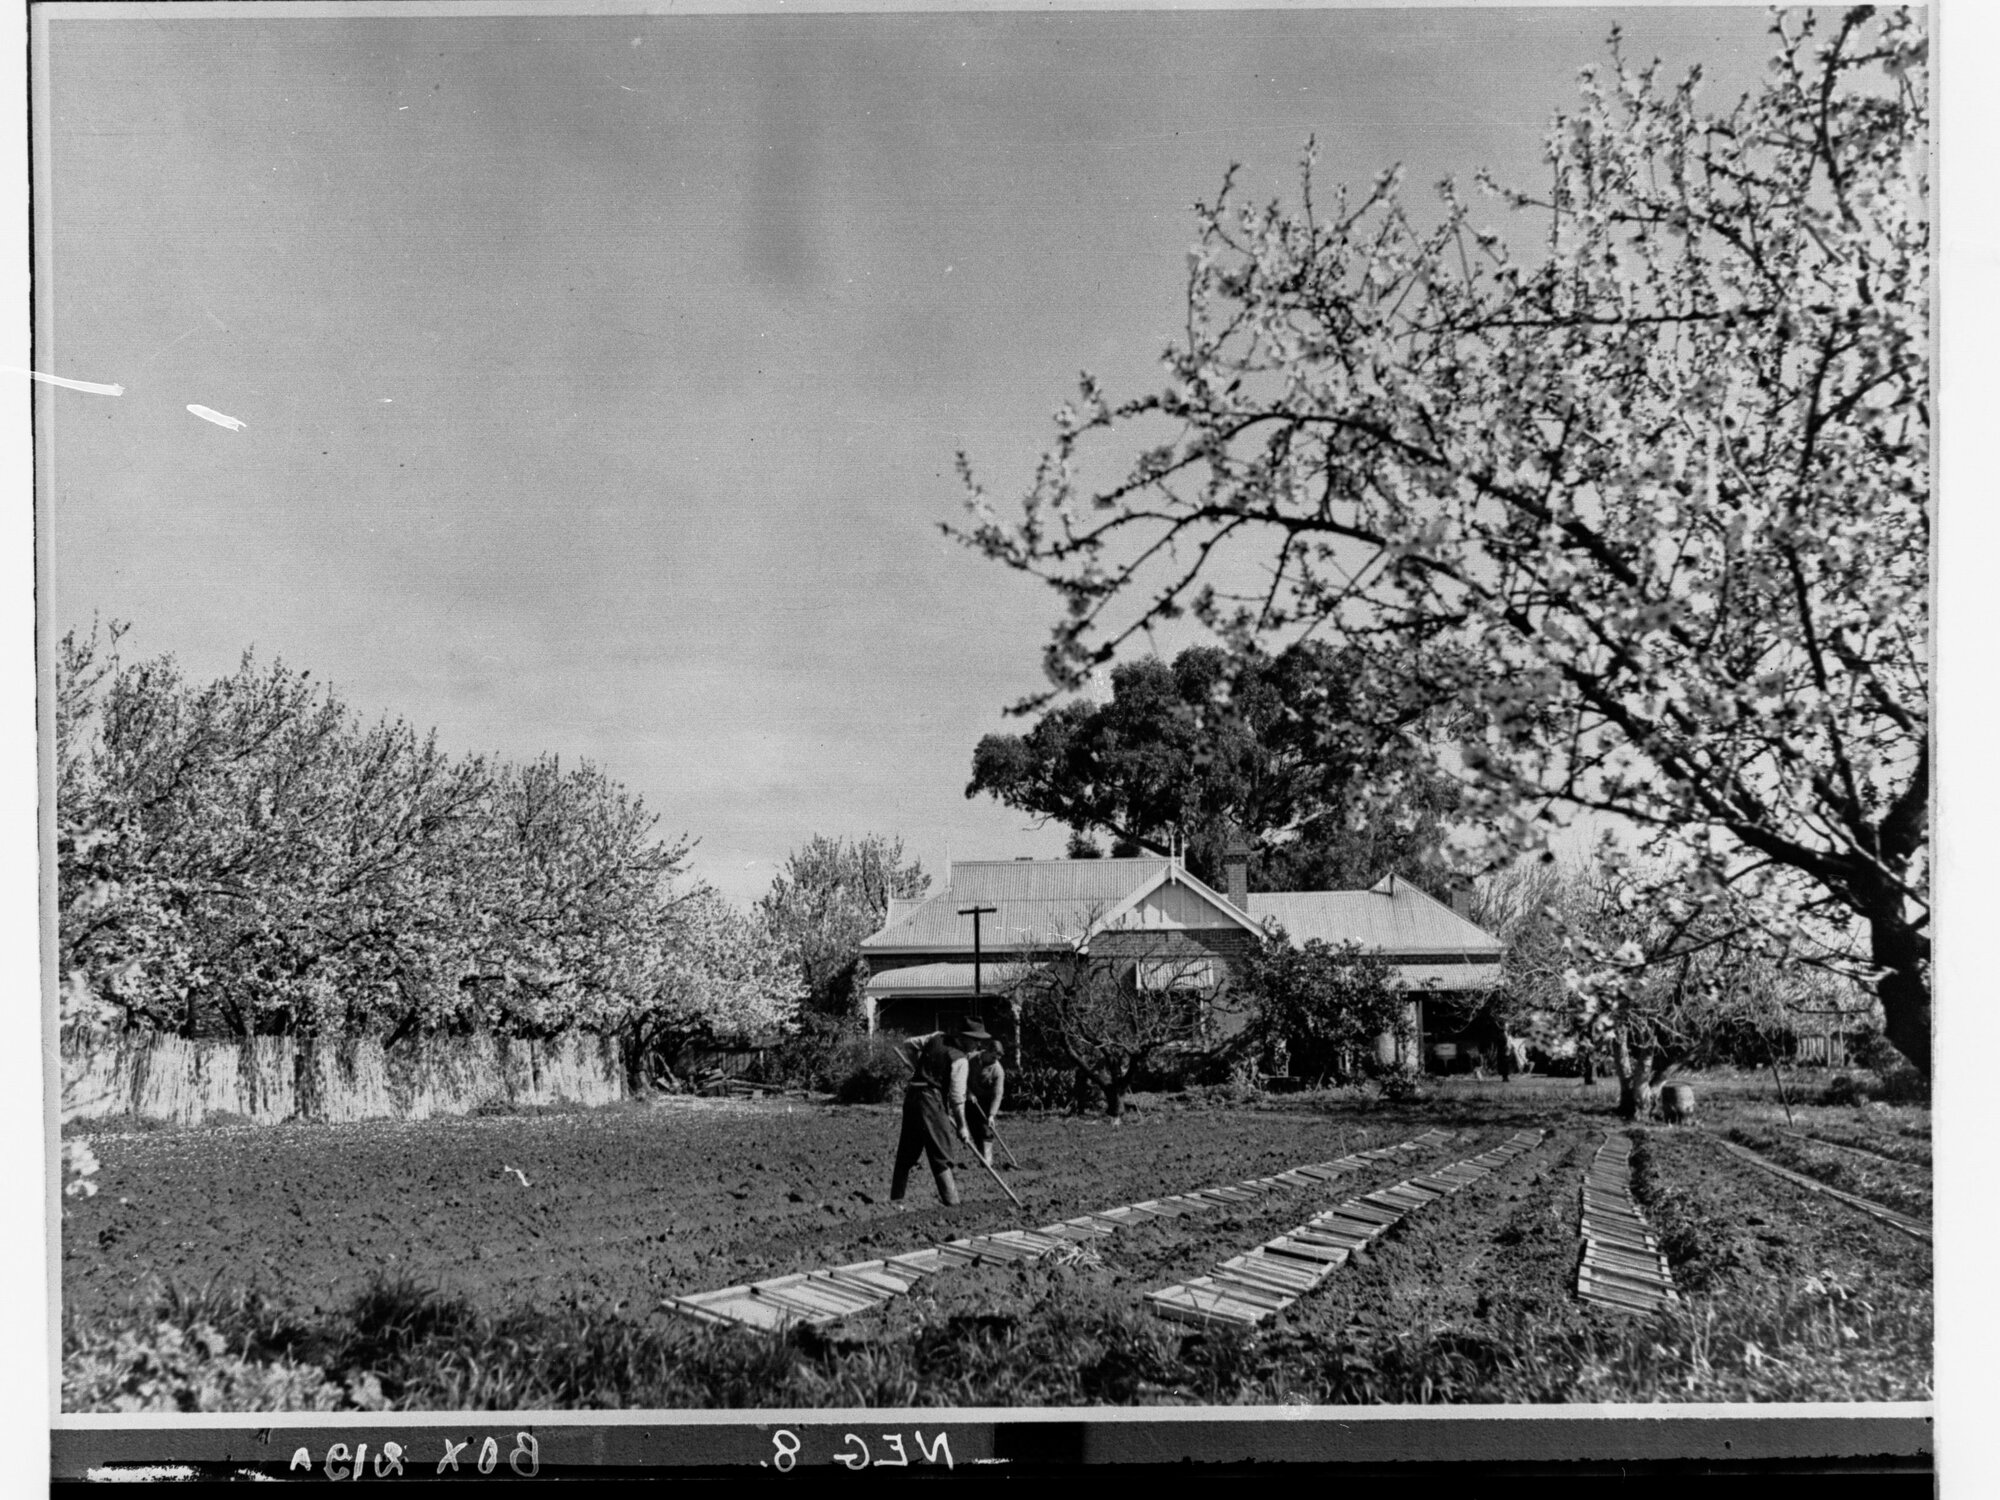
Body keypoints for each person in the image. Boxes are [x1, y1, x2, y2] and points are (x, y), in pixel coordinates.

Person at [889, 1018, 990, 1207]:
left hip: (912, 1097)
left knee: (906, 1153)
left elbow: (909, 1044)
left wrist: (917, 1067)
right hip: (930, 1102)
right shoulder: (960, 1060)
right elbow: (957, 1100)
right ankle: (953, 1204)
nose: (978, 1045)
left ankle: (895, 1200)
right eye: (976, 1040)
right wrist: (962, 1127)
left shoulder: (937, 1037)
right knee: (941, 1154)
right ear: (964, 1037)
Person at [967, 1038, 1006, 1168]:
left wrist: (992, 1115)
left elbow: (998, 1094)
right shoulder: (970, 1058)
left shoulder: (998, 1070)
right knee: (974, 1129)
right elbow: (960, 1075)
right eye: (994, 1057)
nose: (996, 1060)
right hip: (969, 1098)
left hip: (986, 1101)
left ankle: (988, 1162)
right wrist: (968, 1092)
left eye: (998, 1058)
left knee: (986, 1130)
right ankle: (982, 1159)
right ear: (987, 1051)